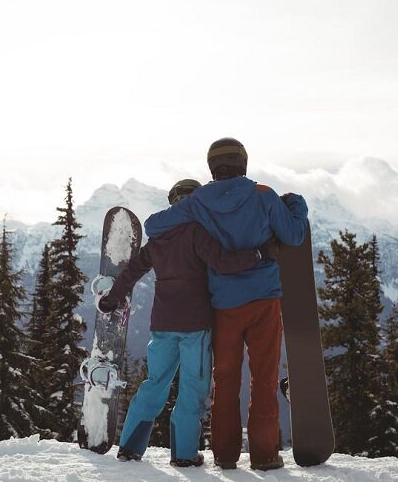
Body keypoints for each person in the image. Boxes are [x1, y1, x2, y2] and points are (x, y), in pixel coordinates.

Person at [144, 138, 308, 471]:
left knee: (226, 379)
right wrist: (297, 204)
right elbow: (293, 235)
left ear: (211, 166)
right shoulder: (263, 194)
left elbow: (152, 225)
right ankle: (264, 455)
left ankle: (224, 454)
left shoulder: (199, 200)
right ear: (242, 163)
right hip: (263, 300)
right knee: (264, 377)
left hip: (223, 305)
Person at [98, 178, 279, 468]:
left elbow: (133, 271)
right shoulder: (197, 233)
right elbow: (223, 263)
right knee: (192, 390)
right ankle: (183, 454)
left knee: (155, 383)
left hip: (162, 325)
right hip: (195, 326)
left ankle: (130, 446)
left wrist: (111, 299)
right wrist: (259, 255)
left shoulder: (158, 240)